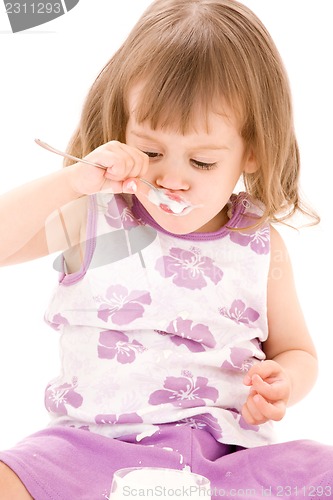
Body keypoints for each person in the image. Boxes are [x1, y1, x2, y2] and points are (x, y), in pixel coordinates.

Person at [0, 0, 332, 498]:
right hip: (90, 450)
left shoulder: (261, 244)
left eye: (200, 162)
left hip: (227, 460)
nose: (172, 179)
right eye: (152, 151)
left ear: (254, 151)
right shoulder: (92, 215)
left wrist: (282, 382)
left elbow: (297, 351)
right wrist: (71, 182)